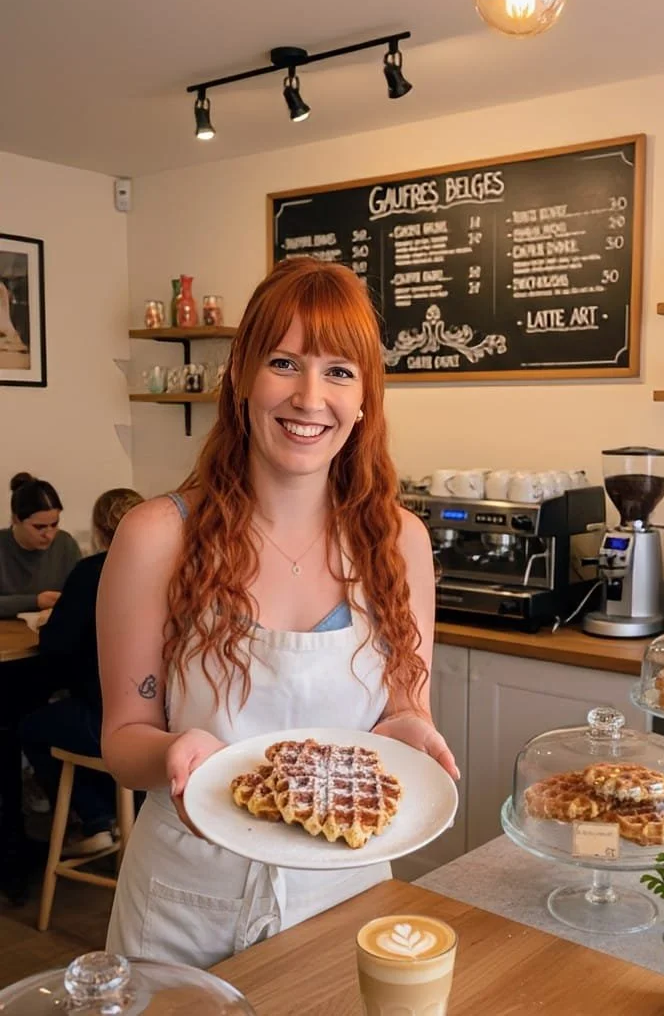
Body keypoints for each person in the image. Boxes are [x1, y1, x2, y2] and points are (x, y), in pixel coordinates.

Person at [99, 257, 457, 968]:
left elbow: (403, 708)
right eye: (284, 362)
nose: (309, 397)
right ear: (239, 374)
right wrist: (171, 751)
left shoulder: (400, 543)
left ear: (365, 399)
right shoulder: (157, 538)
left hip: (347, 900)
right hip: (184, 905)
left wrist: (411, 727)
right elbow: (123, 737)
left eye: (339, 372)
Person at [19, 488, 144, 857]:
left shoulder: (91, 571)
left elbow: (55, 648)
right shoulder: (174, 566)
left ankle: (97, 820)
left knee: (30, 726)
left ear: (99, 533)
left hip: (108, 721)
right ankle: (122, 818)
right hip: (162, 719)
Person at [0, 473, 80, 618]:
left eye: (54, 524)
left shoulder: (66, 544)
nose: (49, 534)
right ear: (16, 519)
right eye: (39, 527)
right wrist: (36, 601)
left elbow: (82, 596)